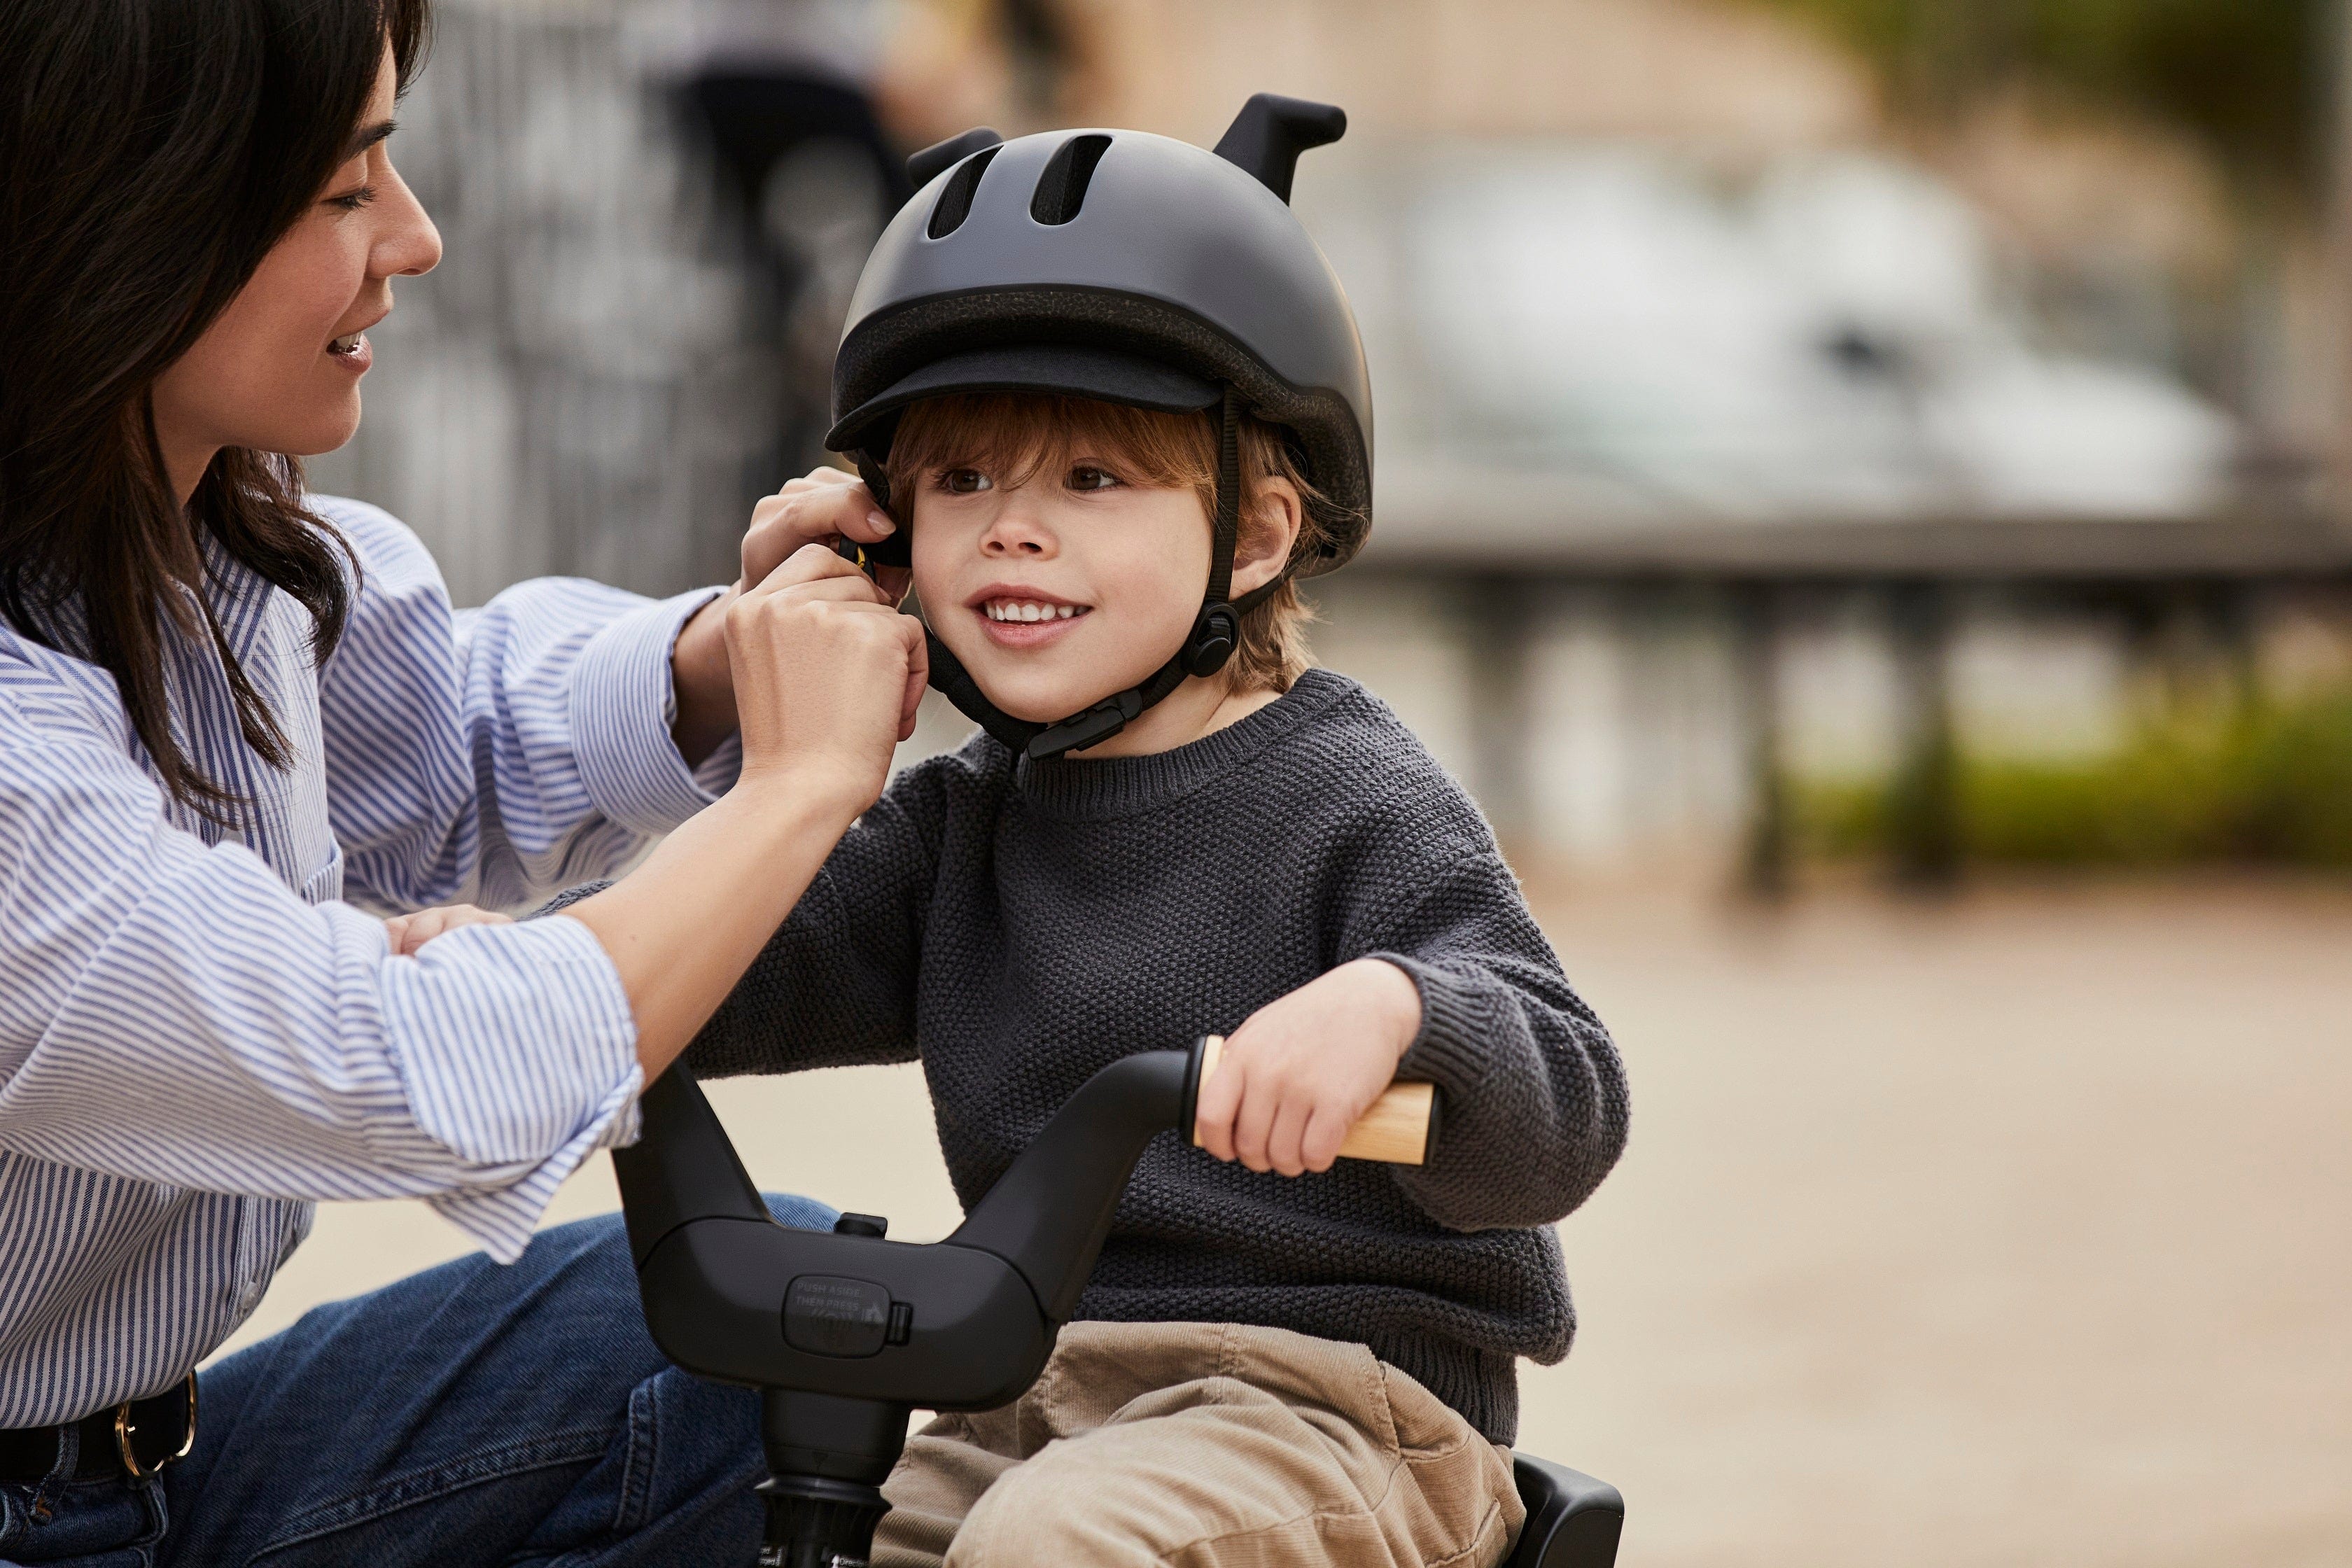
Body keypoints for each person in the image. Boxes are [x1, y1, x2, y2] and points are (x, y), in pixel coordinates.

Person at [638, 106, 1634, 1567]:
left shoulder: (1351, 795)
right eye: (962, 480)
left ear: (1250, 536)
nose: (1011, 531)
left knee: (1052, 1552)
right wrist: (516, 971)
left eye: (1092, 480)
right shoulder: (959, 820)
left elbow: (1572, 1097)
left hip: (1333, 1412)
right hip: (1028, 1392)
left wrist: (1398, 1008)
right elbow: (706, 969)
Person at [0, 1, 923, 1562]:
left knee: (798, 1314)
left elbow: (454, 740)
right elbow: (412, 1066)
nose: (414, 242)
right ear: (137, 209)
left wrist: (727, 653)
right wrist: (797, 785)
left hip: (139, 1470)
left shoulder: (200, 555)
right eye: (347, 189)